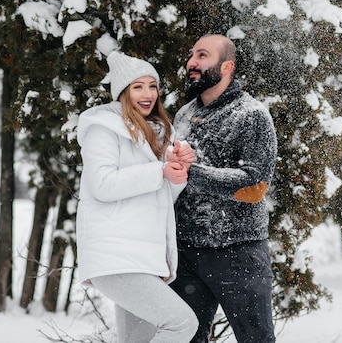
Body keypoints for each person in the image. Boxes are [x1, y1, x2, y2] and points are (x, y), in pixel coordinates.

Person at [76, 51, 198, 343]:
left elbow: (160, 198)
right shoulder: (104, 130)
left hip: (140, 257)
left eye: (152, 86)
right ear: (122, 92)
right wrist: (160, 171)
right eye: (137, 87)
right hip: (116, 257)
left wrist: (178, 171)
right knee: (181, 323)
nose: (147, 94)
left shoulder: (155, 134)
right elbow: (103, 185)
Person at [170, 34, 278, 343]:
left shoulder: (252, 115)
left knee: (255, 339)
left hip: (237, 253)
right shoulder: (184, 115)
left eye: (202, 56)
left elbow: (254, 187)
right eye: (191, 55)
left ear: (226, 65)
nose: (191, 62)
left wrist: (193, 172)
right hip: (186, 253)